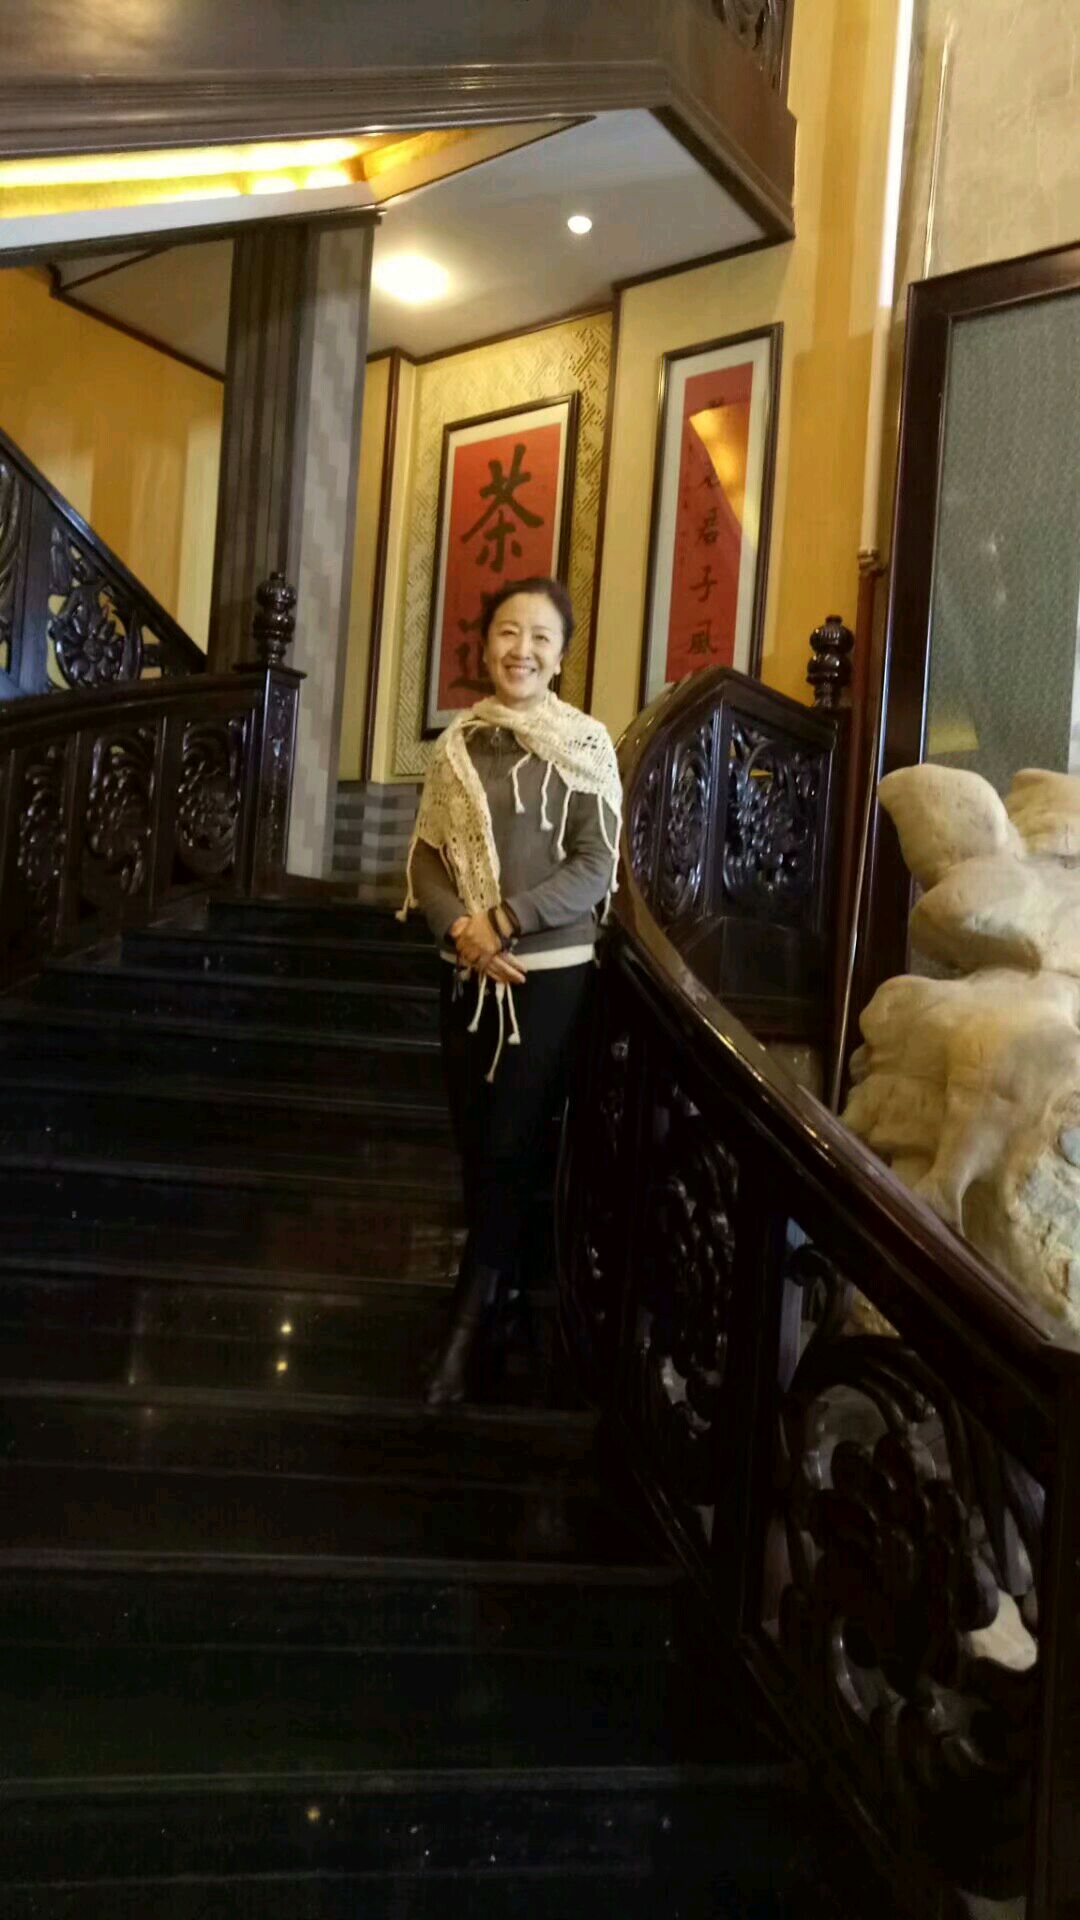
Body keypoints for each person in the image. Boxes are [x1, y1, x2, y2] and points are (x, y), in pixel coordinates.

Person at [400, 577, 622, 1409]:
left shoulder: (586, 743)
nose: (519, 649)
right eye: (505, 631)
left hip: (548, 980)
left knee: (511, 1146)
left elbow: (595, 866)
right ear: (485, 643)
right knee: (476, 1142)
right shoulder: (458, 744)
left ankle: (463, 1330)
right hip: (466, 972)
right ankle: (501, 1298)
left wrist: (505, 920)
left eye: (538, 637)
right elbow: (427, 858)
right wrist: (461, 928)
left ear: (560, 656)